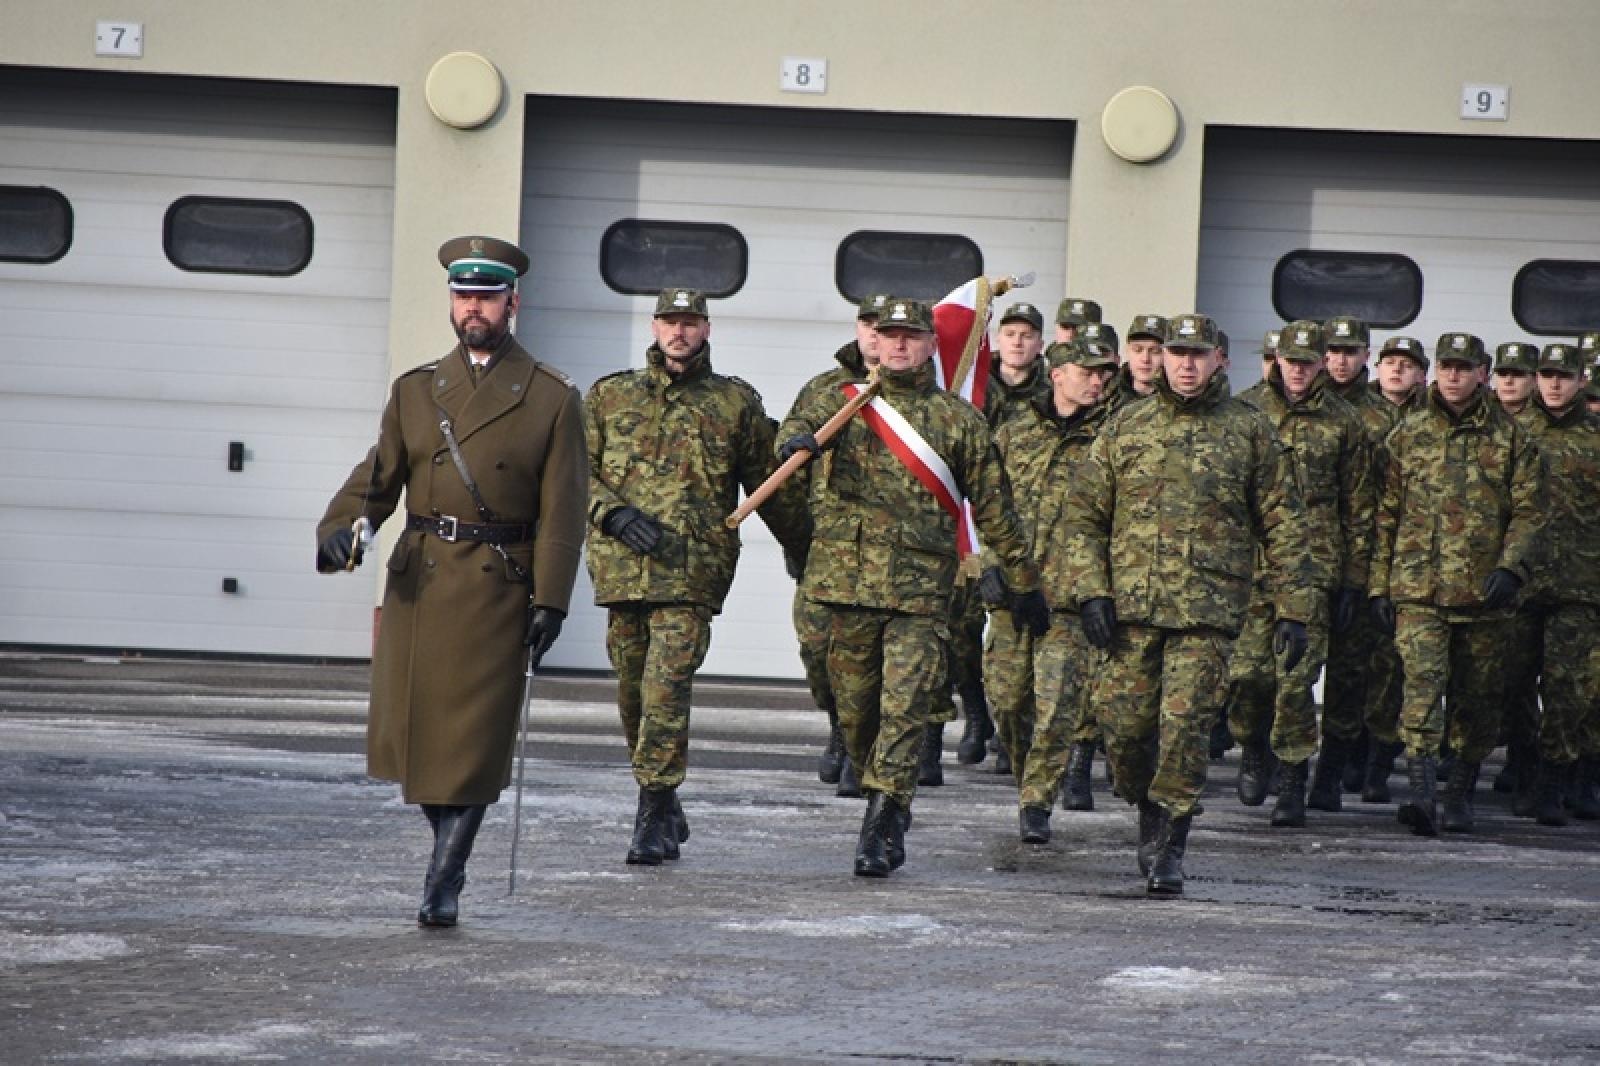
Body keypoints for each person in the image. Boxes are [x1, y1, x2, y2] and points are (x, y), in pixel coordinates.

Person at [315, 236, 588, 927]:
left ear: (512, 304)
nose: (475, 309)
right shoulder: (415, 390)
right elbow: (378, 478)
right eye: (464, 297)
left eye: (487, 298)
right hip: (424, 583)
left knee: (474, 743)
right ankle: (444, 851)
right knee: (423, 745)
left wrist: (552, 599)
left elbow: (564, 509)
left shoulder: (552, 397)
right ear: (452, 303)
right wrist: (344, 526)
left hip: (499, 585)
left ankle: (445, 876)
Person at [783, 297, 1046, 877]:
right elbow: (795, 432)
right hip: (844, 588)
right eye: (888, 333)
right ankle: (882, 790)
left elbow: (997, 510)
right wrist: (796, 442)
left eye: (910, 335)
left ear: (930, 344)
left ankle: (882, 819)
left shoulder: (957, 421)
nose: (898, 344)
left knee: (904, 712)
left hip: (919, 596)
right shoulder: (834, 401)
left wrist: (1024, 582)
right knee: (855, 715)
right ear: (873, 339)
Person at [1064, 313, 1315, 895]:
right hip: (1130, 610)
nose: (1184, 364)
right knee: (1123, 732)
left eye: (1197, 354)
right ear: (1158, 359)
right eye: (1176, 353)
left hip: (1207, 613)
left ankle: (1171, 839)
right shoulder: (1125, 427)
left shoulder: (1248, 430)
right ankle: (1147, 807)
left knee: (1185, 728)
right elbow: (1083, 518)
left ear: (1219, 360)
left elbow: (1284, 524)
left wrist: (1295, 608)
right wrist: (1091, 591)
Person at [585, 287, 810, 865]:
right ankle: (662, 796)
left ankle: (651, 810)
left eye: (690, 322)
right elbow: (572, 474)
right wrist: (612, 513)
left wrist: (804, 547)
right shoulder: (610, 396)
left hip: (692, 570)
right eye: (670, 321)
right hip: (621, 568)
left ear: (706, 328)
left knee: (667, 688)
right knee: (634, 692)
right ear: (655, 325)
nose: (679, 332)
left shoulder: (734, 402)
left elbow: (768, 481)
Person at [1369, 332, 1544, 836]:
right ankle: (1422, 796)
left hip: (1482, 595)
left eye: (1464, 367)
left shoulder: (1512, 437)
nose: (1453, 375)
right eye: (1446, 365)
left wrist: (1511, 568)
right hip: (1418, 591)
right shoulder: (1408, 433)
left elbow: (1531, 511)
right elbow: (1386, 514)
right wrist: (1380, 586)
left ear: (1482, 372)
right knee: (1421, 691)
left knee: (1477, 698)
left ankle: (1459, 790)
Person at [1228, 321, 1372, 827]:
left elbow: (1359, 507)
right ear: (1276, 360)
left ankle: (1292, 780)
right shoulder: (1244, 411)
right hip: (1250, 568)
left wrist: (1354, 579)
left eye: (1309, 363)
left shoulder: (1345, 422)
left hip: (1313, 570)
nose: (1299, 371)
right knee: (1246, 675)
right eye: (1291, 361)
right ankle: (1251, 744)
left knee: (1295, 682)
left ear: (1321, 365)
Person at [983, 339, 1115, 839]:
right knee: (1009, 700)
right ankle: (1027, 779)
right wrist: (987, 566)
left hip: (1069, 599)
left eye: (1105, 372)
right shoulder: (1014, 434)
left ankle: (1037, 800)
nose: (1098, 381)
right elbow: (984, 505)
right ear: (1057, 373)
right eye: (1087, 371)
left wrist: (1099, 589)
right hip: (1016, 594)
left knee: (1058, 706)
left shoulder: (1114, 438)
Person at [780, 293, 889, 796]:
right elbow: (794, 438)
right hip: (831, 549)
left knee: (880, 661)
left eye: (883, 326)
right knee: (818, 650)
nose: (873, 333)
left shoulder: (922, 395)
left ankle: (859, 746)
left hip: (894, 557)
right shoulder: (827, 388)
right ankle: (838, 725)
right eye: (867, 323)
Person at [1521, 342, 1600, 824]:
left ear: (1581, 382)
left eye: (1563, 376)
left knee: (1568, 686)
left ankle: (1556, 778)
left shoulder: (1595, 438)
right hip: (1518, 584)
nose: (1553, 383)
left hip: (1579, 587)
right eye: (1546, 374)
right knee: (1510, 686)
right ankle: (1525, 769)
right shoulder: (1512, 432)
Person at [1315, 316, 1389, 806]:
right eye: (1333, 350)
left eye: (1350, 351)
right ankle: (1279, 760)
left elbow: (1378, 506)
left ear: (1367, 356)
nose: (1340, 360)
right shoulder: (1285, 408)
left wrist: (1361, 577)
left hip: (1353, 564)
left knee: (1348, 674)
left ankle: (1330, 772)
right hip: (1292, 568)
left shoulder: (1385, 418)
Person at [1107, 314, 1169, 413]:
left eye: (1155, 351)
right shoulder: (1105, 394)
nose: (1145, 359)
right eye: (1137, 350)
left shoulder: (1178, 402)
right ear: (1127, 351)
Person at [1491, 342, 1539, 416]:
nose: (1508, 381)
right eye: (1502, 374)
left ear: (1535, 380)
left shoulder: (1549, 418)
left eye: (1518, 374)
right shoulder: (1476, 413)